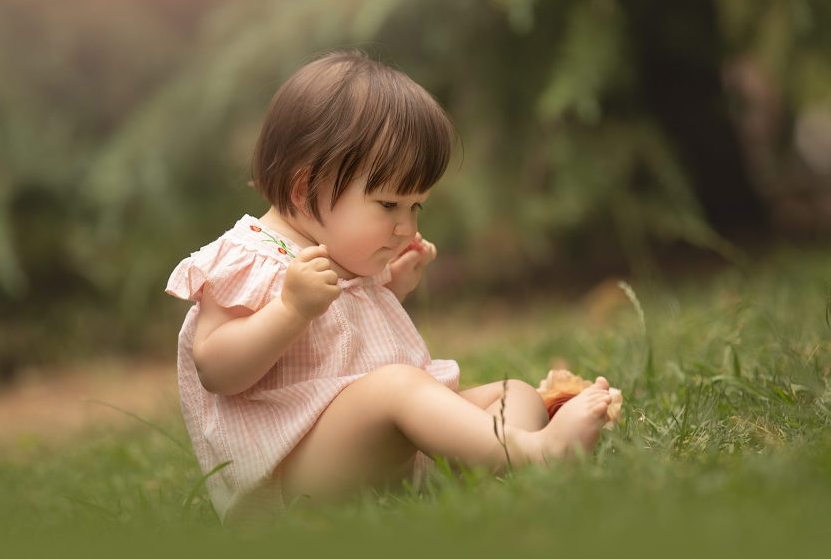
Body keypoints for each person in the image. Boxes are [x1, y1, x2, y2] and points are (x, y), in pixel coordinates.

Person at [166, 50, 615, 523]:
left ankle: (494, 458)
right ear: (303, 190)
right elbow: (215, 369)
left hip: (367, 451)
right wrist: (289, 310)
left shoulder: (340, 255)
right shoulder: (248, 256)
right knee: (399, 388)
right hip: (291, 476)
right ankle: (534, 454)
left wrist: (391, 289)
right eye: (388, 205)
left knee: (514, 393)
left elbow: (339, 345)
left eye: (416, 206)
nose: (405, 225)